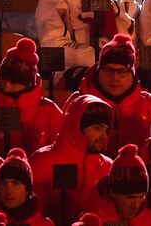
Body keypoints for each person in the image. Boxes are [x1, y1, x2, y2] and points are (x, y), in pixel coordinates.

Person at [28, 93, 115, 221]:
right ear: (77, 126)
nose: (104, 136)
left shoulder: (108, 166)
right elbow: (32, 214)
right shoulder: (42, 161)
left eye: (107, 130)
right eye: (97, 128)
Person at [0, 39, 62, 155]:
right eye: (3, 80)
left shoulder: (50, 112)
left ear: (28, 85)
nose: (6, 86)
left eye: (14, 83)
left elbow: (59, 152)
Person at [89, 144, 151, 226]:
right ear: (112, 192)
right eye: (130, 197)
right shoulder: (91, 221)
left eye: (141, 196)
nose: (136, 205)